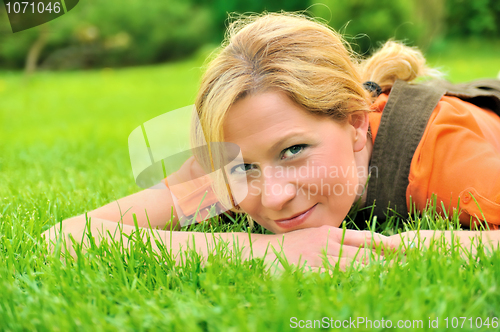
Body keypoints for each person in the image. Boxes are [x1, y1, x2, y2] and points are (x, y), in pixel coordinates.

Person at [44, 12, 500, 270]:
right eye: (246, 168)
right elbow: (67, 238)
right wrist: (265, 250)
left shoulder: (443, 156)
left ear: (356, 124)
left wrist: (395, 250)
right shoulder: (226, 177)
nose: (274, 197)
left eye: (294, 151)